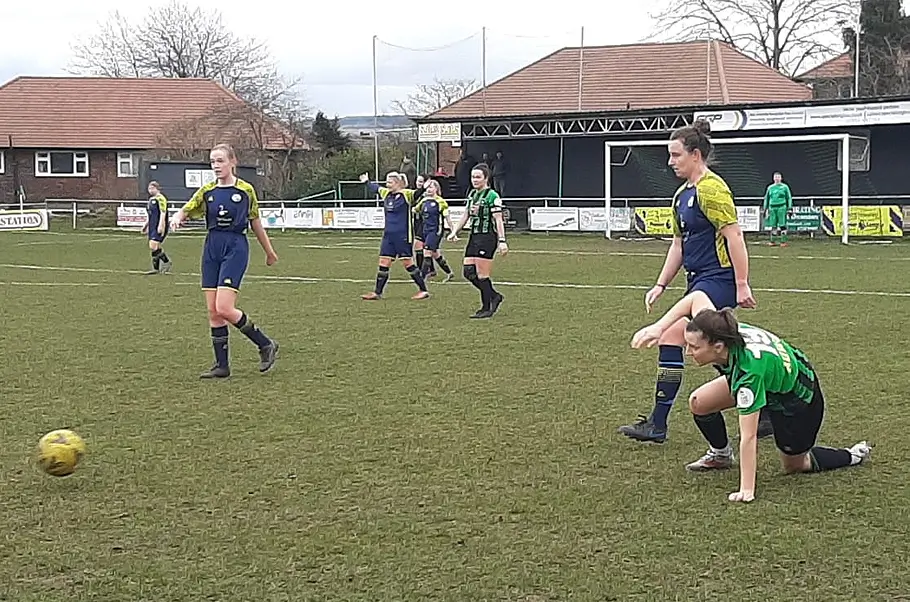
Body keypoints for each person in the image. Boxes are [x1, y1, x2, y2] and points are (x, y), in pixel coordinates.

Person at [631, 291, 872, 502]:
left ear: (718, 347)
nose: (688, 352)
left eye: (694, 347)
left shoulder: (749, 374)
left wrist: (746, 490)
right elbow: (696, 298)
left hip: (798, 399)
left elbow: (748, 437)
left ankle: (851, 455)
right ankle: (721, 455)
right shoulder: (716, 327)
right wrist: (659, 327)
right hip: (774, 378)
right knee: (700, 403)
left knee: (795, 465)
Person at [617, 118, 772, 443]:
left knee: (684, 336)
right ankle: (659, 425)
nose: (670, 162)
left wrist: (741, 283)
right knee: (700, 342)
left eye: (676, 155)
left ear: (696, 154)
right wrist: (660, 284)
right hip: (699, 279)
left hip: (718, 279)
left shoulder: (712, 189)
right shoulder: (681, 195)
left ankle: (659, 424)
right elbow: (678, 245)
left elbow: (734, 235)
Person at [170, 143, 279, 379]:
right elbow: (187, 208)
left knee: (224, 308)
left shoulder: (245, 190)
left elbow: (255, 221)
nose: (216, 166)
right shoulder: (207, 191)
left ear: (233, 162)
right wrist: (178, 217)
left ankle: (265, 343)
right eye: (212, 161)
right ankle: (222, 366)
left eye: (220, 161)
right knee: (213, 311)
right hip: (212, 247)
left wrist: (269, 252)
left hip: (235, 247)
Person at [447, 163, 508, 318]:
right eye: (473, 177)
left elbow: (498, 219)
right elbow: (466, 215)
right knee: (468, 272)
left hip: (487, 237)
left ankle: (486, 307)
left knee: (482, 274)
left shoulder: (492, 196)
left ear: (486, 178)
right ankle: (494, 296)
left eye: (478, 177)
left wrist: (502, 241)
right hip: (474, 236)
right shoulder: (472, 194)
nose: (474, 180)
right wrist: (454, 231)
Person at [359, 171, 429, 301]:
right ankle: (377, 292)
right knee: (384, 262)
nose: (387, 184)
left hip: (403, 235)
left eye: (390, 182)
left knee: (408, 263)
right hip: (388, 235)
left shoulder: (406, 194)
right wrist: (366, 182)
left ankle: (423, 290)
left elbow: (416, 194)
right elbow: (376, 188)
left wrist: (424, 188)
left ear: (397, 183)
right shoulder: (386, 193)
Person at [414, 179, 455, 282]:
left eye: (431, 187)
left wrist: (453, 231)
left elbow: (447, 218)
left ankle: (422, 278)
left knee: (427, 252)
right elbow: (415, 209)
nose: (428, 190)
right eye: (427, 187)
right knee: (435, 254)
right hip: (425, 230)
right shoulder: (423, 201)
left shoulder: (440, 202)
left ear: (436, 189)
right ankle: (449, 273)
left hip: (435, 231)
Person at [141, 181, 172, 275]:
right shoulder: (151, 200)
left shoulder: (161, 199)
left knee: (153, 245)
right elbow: (150, 214)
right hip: (152, 225)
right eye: (149, 188)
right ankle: (156, 268)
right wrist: (146, 225)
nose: (150, 190)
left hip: (158, 225)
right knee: (155, 247)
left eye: (152, 188)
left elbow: (163, 213)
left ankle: (166, 262)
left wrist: (161, 225)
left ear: (157, 188)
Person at [763, 171, 793, 246]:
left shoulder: (785, 187)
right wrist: (765, 209)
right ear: (773, 178)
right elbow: (766, 198)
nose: (777, 178)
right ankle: (772, 241)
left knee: (782, 224)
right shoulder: (770, 187)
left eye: (778, 177)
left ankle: (783, 241)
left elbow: (789, 197)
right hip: (772, 208)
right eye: (775, 177)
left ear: (781, 178)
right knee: (773, 225)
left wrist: (789, 207)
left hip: (782, 207)